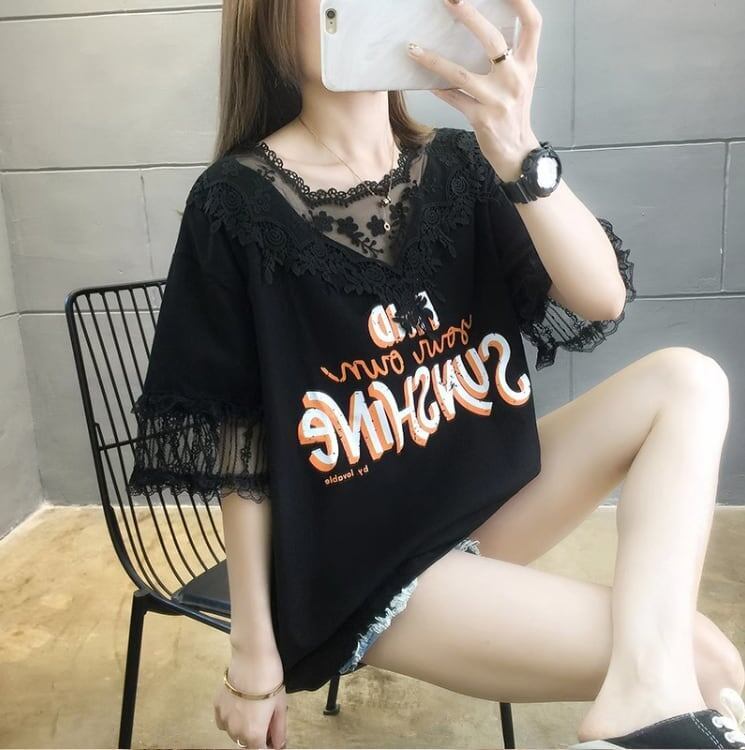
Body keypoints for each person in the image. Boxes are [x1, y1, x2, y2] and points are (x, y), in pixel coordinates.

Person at [126, 0, 745, 748]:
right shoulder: (234, 201)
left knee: (687, 380)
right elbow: (241, 440)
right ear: (268, 16)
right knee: (707, 661)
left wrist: (516, 146)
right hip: (363, 562)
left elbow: (601, 299)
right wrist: (253, 655)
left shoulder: (460, 162)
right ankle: (647, 697)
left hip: (478, 503)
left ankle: (643, 698)